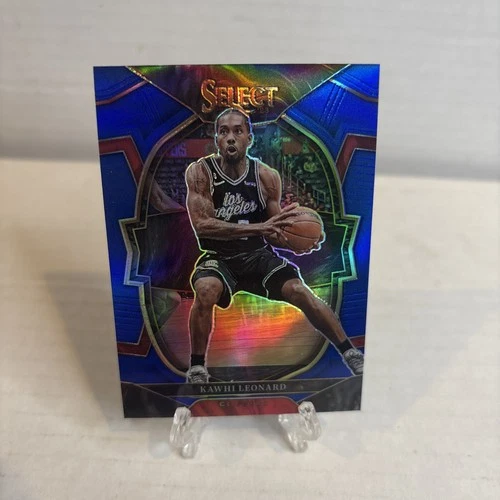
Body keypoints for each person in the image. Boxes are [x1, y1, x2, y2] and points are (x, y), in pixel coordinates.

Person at [184, 108, 364, 383]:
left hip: (257, 255)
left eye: (238, 131)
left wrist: (298, 242)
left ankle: (350, 352)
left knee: (299, 291)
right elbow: (202, 225)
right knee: (206, 289)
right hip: (219, 256)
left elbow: (274, 230)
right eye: (223, 132)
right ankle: (197, 367)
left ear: (249, 138)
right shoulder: (200, 172)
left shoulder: (266, 176)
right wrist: (259, 228)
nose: (230, 137)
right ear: (216, 139)